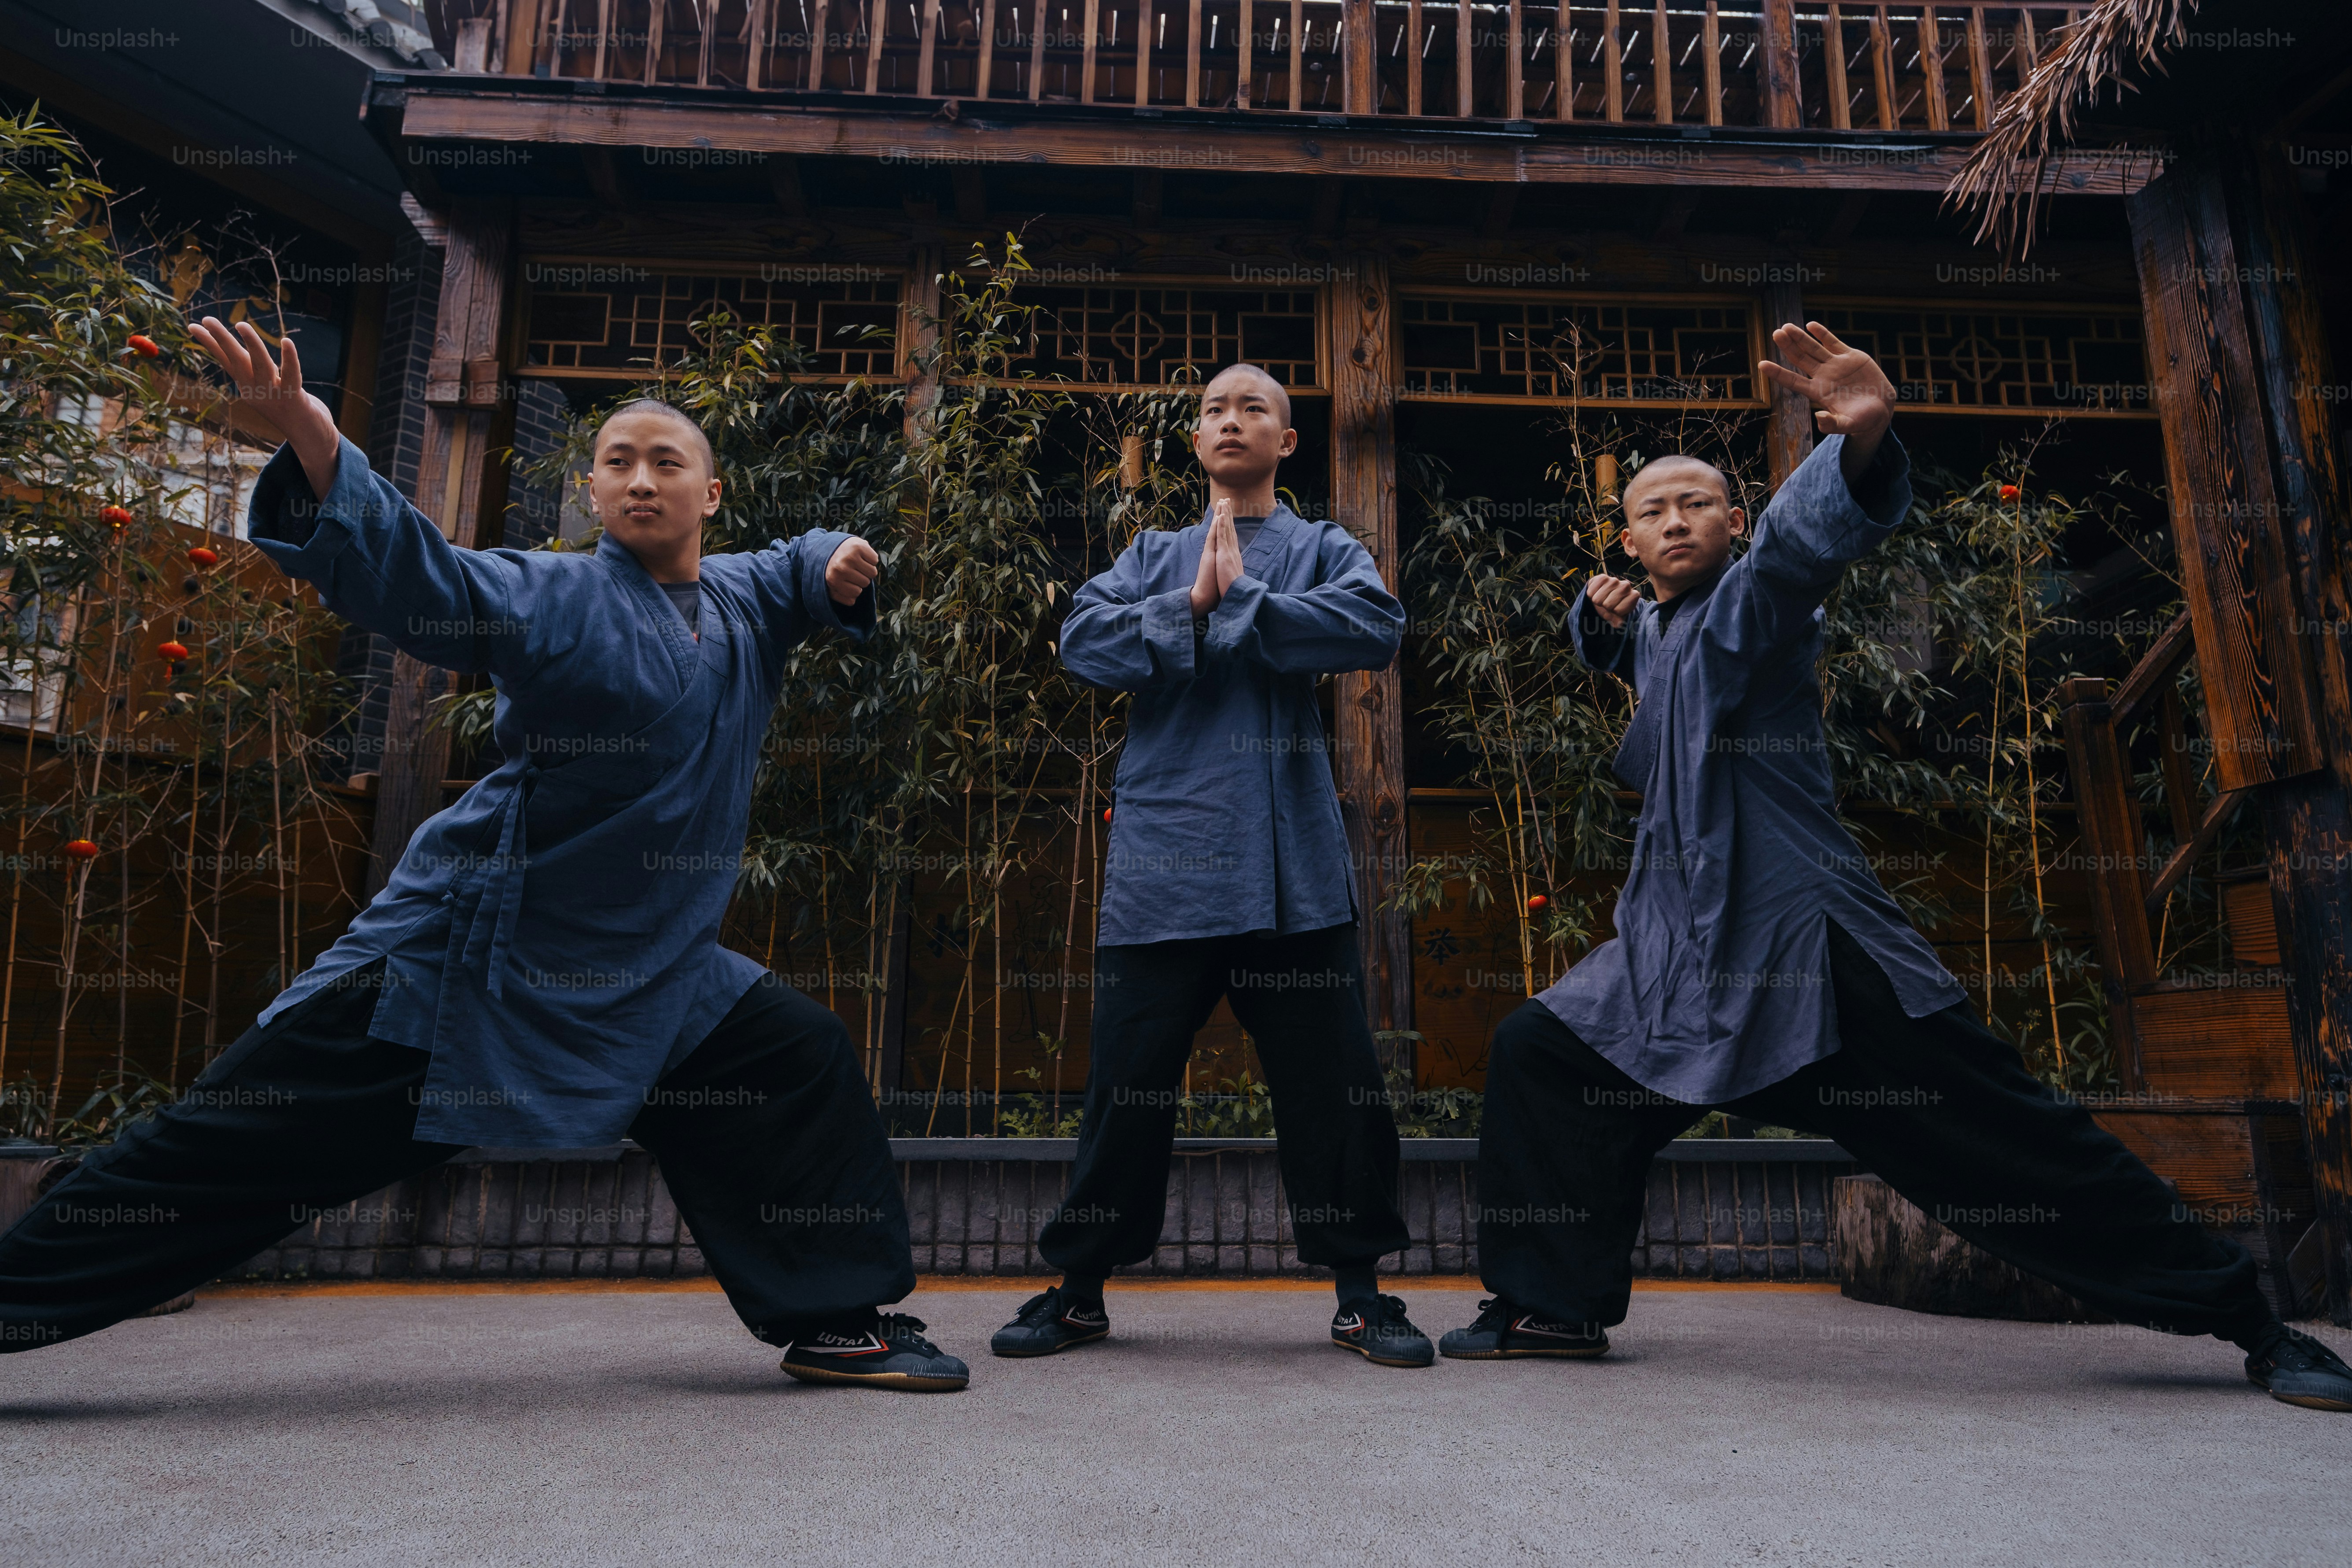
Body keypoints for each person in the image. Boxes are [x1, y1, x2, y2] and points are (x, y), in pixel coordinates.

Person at [0, 319, 969, 1392]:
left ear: (713, 492)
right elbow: (432, 587)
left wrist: (834, 557)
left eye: (665, 462)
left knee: (787, 1055)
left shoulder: (742, 595)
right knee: (237, 1145)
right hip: (475, 955)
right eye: (616, 462)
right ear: (594, 492)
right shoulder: (553, 595)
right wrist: (320, 446)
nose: (639, 480)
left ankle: (838, 1317)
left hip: (649, 968)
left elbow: (792, 567)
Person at [1438, 321, 2352, 1414]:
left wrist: (1861, 438)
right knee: (1546, 1049)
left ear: (1733, 522)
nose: (1675, 518)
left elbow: (1795, 552)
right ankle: (1551, 1304)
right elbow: (1635, 651)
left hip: (1805, 951)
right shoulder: (1660, 631)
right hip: (1675, 959)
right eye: (1650, 510)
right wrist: (1597, 627)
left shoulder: (1753, 606)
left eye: (1697, 502)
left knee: (2001, 1138)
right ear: (1627, 545)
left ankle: (2250, 1318)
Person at [990, 364, 1429, 1367]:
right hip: (1163, 867)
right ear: (1195, 442)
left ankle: (1362, 1292)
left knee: (1334, 1090)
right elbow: (1080, 643)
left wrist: (1250, 604)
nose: (1231, 420)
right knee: (1127, 1087)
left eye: (1255, 409)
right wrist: (1187, 603)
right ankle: (1081, 1288)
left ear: (1287, 442)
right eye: (1213, 410)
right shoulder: (1152, 551)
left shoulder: (1323, 547)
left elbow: (1375, 625)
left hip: (1293, 873)